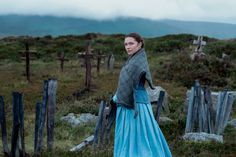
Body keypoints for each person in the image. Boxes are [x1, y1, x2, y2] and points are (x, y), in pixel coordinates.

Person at [111, 33, 172, 157]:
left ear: (139, 44)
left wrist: (117, 98)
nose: (128, 47)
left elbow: (129, 85)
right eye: (126, 44)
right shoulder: (134, 59)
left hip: (135, 105)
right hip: (133, 103)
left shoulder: (136, 62)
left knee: (137, 136)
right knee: (140, 135)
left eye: (131, 43)